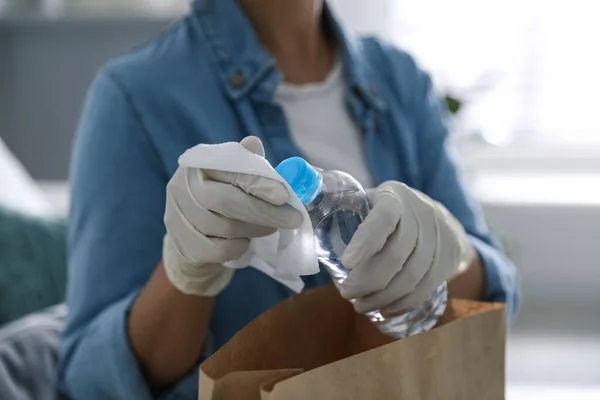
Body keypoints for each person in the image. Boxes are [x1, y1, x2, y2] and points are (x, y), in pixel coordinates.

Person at [59, 0, 519, 398]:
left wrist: (453, 250)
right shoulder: (135, 99)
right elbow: (86, 381)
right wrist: (185, 276)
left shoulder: (401, 81)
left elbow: (495, 305)